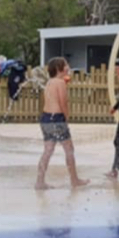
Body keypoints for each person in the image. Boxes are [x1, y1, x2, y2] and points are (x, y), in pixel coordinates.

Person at [36, 57, 89, 190]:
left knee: (47, 151)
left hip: (46, 118)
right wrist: (66, 118)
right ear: (59, 69)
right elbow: (63, 102)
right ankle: (74, 179)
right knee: (69, 149)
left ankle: (39, 181)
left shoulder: (49, 83)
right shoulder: (60, 83)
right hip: (57, 118)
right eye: (65, 65)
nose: (68, 67)